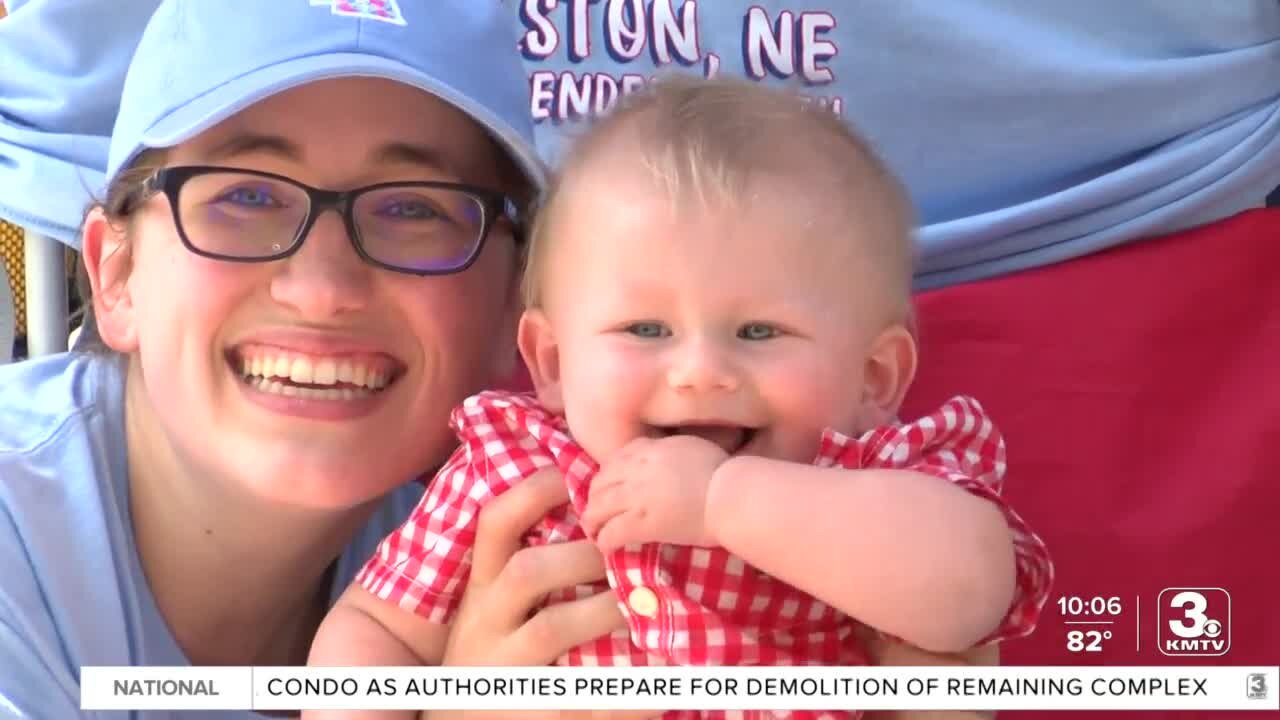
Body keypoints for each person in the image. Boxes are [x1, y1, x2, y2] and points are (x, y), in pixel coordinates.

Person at [0, 2, 689, 719]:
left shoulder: (522, 560)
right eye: (247, 195)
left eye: (413, 209)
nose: (323, 289)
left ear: (514, 309)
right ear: (115, 274)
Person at [310, 76, 1053, 720]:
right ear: (554, 363)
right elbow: (378, 627)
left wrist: (725, 502)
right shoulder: (513, 468)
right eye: (645, 327)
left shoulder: (870, 484)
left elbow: (970, 592)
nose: (700, 370)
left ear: (874, 379)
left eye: (760, 330)